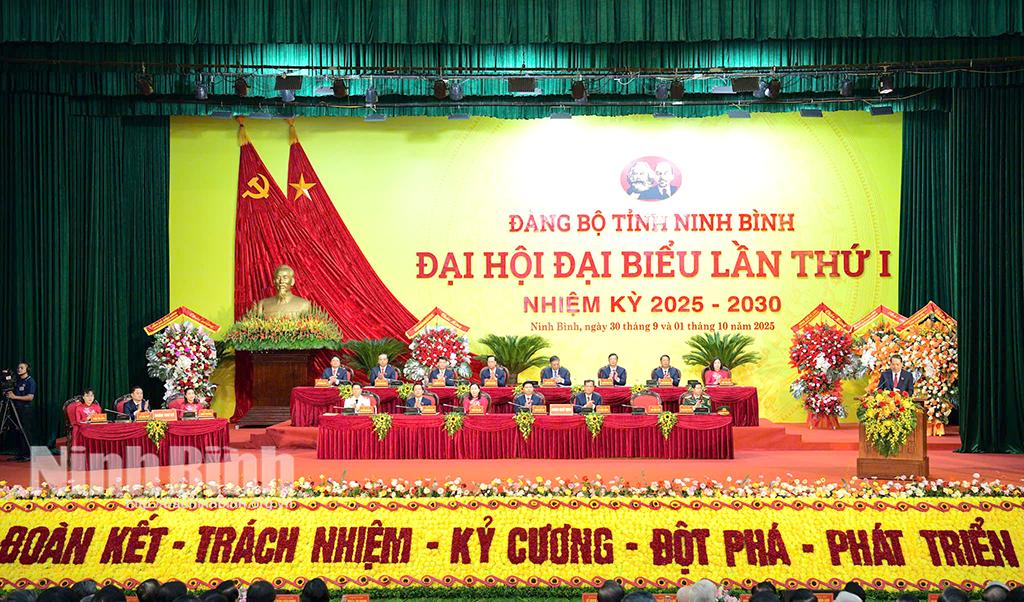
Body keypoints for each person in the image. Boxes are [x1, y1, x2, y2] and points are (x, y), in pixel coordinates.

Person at [6, 361, 36, 461]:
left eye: (22, 368)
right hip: (16, 409)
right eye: (18, 368)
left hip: (25, 410)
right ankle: (20, 453)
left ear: (27, 369)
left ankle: (28, 454)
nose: (19, 369)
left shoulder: (30, 381)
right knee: (17, 431)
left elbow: (30, 397)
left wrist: (14, 397)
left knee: (25, 431)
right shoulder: (17, 381)